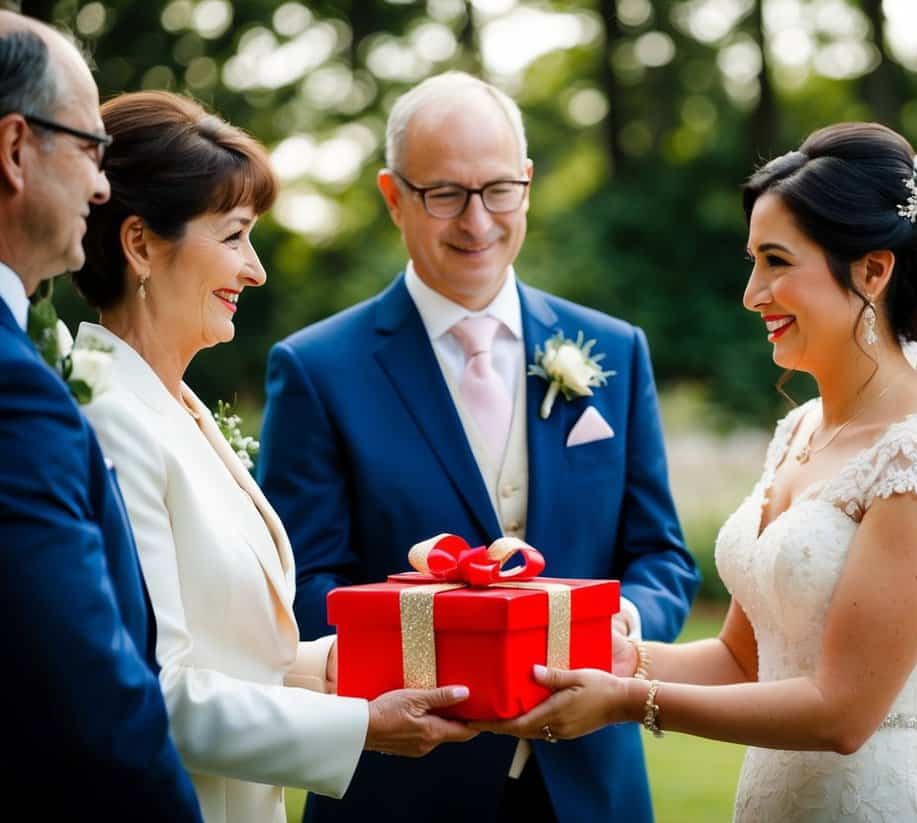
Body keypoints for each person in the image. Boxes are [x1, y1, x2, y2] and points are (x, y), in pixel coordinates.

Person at [475, 122, 917, 821]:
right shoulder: (798, 430)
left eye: (777, 261)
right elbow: (741, 659)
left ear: (873, 270)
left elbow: (842, 712)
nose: (753, 293)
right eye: (754, 261)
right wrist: (600, 654)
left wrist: (629, 701)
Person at [256, 70, 700, 822]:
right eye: (445, 194)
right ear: (394, 196)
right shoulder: (317, 369)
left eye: (497, 189)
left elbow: (662, 556)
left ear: (526, 184)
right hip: (406, 785)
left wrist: (620, 624)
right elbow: (303, 592)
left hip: (592, 785)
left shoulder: (614, 351)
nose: (477, 221)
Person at [71, 90, 478, 823]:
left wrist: (422, 635)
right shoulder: (109, 419)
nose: (255, 270)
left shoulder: (179, 409)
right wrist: (364, 728)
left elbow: (242, 650)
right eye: (233, 237)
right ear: (139, 244)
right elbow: (150, 688)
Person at [0, 13, 202, 819]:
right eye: (89, 148)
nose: (100, 183)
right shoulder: (16, 395)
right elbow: (91, 696)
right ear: (15, 149)